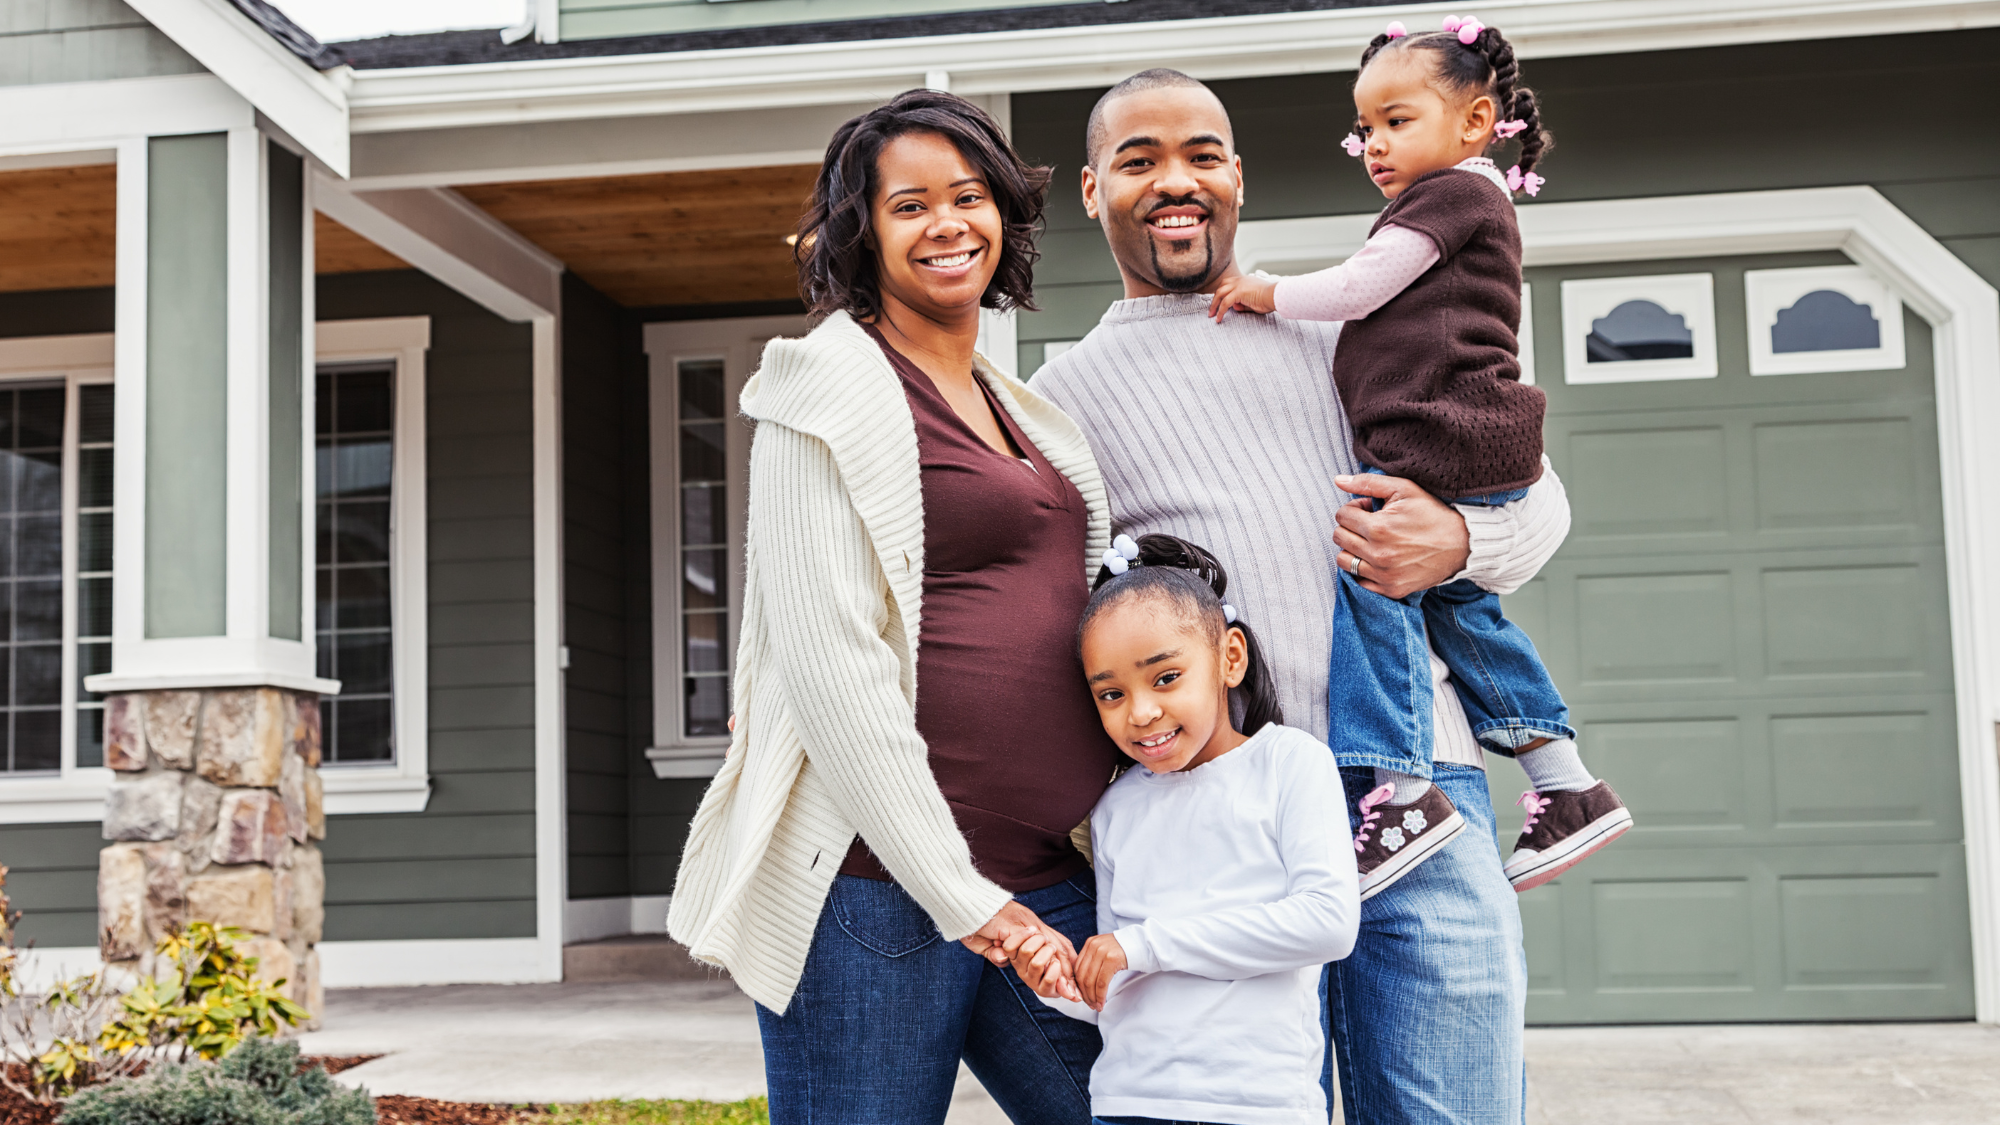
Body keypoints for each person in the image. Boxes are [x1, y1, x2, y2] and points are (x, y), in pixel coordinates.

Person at [1030, 67, 1567, 1123]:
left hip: (1415, 798)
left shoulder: (1353, 326)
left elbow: (1538, 509)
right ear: (1092, 192)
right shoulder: (1059, 403)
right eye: (1137, 161)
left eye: (1199, 155)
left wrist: (1456, 539)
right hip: (1216, 829)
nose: (1173, 182)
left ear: (1237, 176)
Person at [666, 89, 1117, 1125]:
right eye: (908, 205)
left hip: (1045, 877)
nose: (947, 223)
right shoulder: (820, 389)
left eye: (968, 196)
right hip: (878, 893)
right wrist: (965, 901)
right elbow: (831, 665)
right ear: (860, 232)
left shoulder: (1026, 407)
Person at [1205, 16, 1630, 898]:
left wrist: (1264, 292)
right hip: (1469, 435)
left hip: (1444, 433)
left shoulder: (1453, 196)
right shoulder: (1466, 198)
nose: (1373, 144)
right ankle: (1567, 782)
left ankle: (1403, 790)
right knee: (1462, 611)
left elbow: (1361, 286)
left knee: (1375, 578)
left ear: (1474, 123)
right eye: (1365, 127)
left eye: (1397, 120)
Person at [1009, 533, 1360, 1125]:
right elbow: (1121, 985)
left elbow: (1328, 923)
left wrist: (1141, 946)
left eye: (1165, 677)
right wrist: (1065, 982)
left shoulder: (1288, 763)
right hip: (1128, 1105)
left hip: (1257, 1108)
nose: (1140, 712)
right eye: (1112, 694)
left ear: (1230, 658)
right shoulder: (1114, 807)